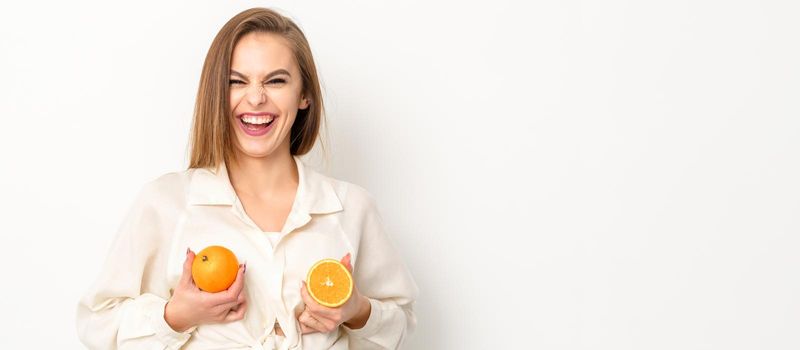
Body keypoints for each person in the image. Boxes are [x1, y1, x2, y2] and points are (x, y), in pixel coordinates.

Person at [76, 7, 418, 350]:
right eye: (236, 81)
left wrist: (358, 310)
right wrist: (174, 317)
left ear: (304, 95)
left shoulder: (351, 209)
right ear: (217, 94)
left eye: (276, 80)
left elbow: (401, 324)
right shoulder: (166, 203)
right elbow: (97, 326)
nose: (255, 97)